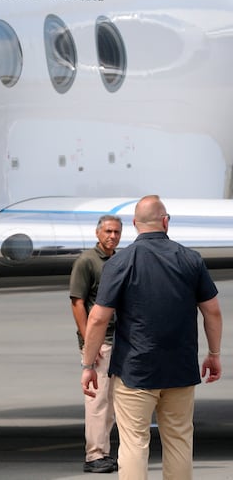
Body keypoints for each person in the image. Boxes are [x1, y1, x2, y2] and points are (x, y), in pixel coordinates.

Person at [81, 195, 223, 480]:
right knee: (180, 440)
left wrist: (87, 365)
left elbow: (97, 318)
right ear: (166, 222)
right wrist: (214, 354)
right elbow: (213, 312)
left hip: (135, 370)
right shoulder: (190, 259)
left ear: (134, 224)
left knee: (134, 443)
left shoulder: (119, 263)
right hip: (180, 370)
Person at [69, 214, 122, 474]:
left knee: (111, 401)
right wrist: (90, 340)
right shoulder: (87, 261)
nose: (112, 236)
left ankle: (104, 452)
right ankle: (95, 455)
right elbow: (77, 302)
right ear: (97, 233)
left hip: (119, 340)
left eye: (116, 232)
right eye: (108, 231)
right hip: (99, 342)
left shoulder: (119, 260)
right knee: (97, 400)